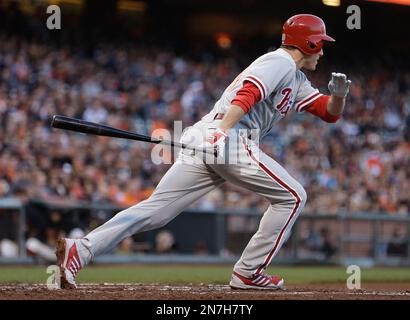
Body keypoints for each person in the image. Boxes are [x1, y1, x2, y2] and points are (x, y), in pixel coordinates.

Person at [56, 14, 351, 290]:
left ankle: (80, 249)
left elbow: (328, 113)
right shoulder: (280, 62)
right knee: (293, 196)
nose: (323, 51)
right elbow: (248, 93)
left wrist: (338, 96)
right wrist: (222, 130)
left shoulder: (296, 78)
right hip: (228, 136)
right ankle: (248, 272)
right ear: (308, 43)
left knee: (156, 211)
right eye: (321, 44)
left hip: (209, 135)